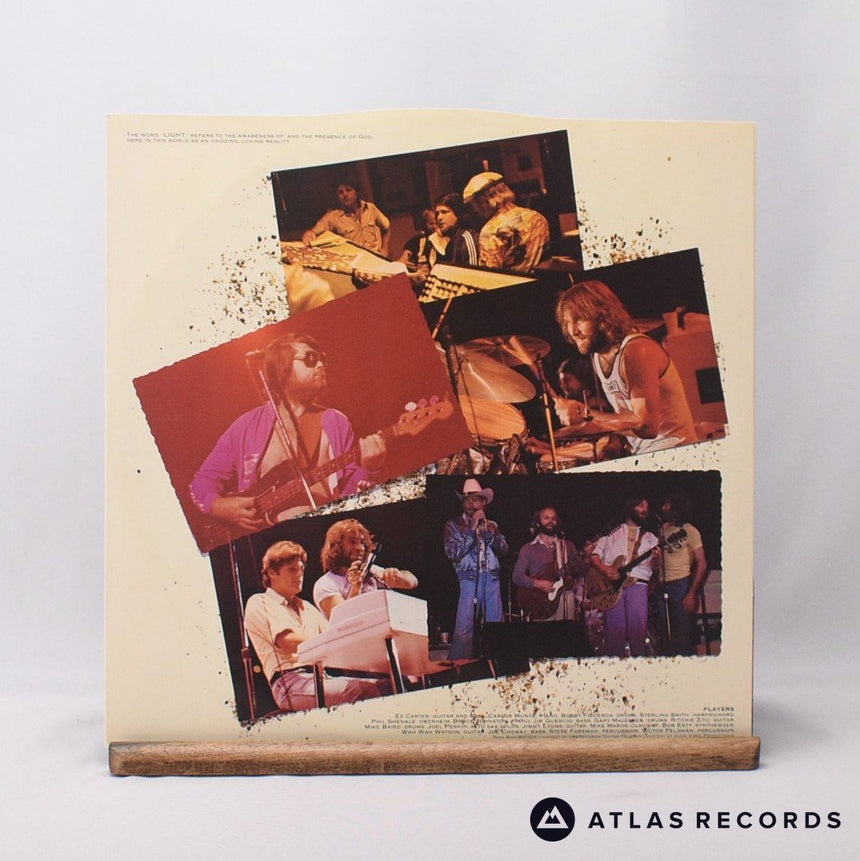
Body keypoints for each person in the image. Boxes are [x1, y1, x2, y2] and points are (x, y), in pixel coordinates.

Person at [190, 333, 386, 532]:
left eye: (322, 359)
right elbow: (202, 481)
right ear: (281, 369)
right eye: (310, 359)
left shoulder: (336, 422)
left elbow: (350, 499)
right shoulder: (246, 426)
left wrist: (369, 470)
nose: (320, 365)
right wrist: (217, 506)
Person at [553, 280, 697, 455]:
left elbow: (647, 427)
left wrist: (583, 414)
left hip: (674, 448)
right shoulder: (598, 356)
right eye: (567, 322)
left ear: (603, 315)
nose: (573, 331)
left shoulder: (636, 350)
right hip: (644, 451)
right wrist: (612, 443)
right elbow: (623, 417)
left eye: (579, 319)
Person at [243, 540, 389, 711]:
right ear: (272, 572)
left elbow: (337, 632)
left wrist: (355, 588)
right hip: (289, 682)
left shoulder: (306, 607)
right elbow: (288, 642)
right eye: (292, 569)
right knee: (361, 691)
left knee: (388, 686)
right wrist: (335, 641)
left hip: (321, 678)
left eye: (301, 569)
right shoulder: (260, 602)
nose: (300, 574)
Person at [443, 479, 508, 659]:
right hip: (469, 580)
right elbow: (452, 552)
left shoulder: (492, 525)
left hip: (492, 579)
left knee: (496, 626)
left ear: (483, 503)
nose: (472, 504)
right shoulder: (453, 525)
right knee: (464, 628)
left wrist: (491, 536)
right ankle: (459, 666)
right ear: (463, 503)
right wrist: (471, 531)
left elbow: (504, 549)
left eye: (476, 500)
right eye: (468, 500)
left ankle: (498, 662)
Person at [589, 495, 661, 657]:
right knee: (614, 634)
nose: (644, 510)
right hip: (611, 588)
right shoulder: (612, 533)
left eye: (646, 507)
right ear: (630, 508)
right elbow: (595, 555)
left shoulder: (651, 538)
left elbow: (654, 566)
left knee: (638, 632)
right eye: (641, 506)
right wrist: (605, 569)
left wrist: (657, 560)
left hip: (638, 584)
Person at [313, 518, 418, 620]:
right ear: (336, 546)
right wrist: (355, 588)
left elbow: (413, 582)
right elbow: (344, 621)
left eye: (362, 543)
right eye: (353, 542)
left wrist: (397, 575)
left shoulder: (371, 570)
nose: (360, 548)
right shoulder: (325, 584)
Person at [512, 507, 590, 622]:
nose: (550, 521)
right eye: (546, 518)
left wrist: (587, 557)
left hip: (564, 598)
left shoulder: (567, 546)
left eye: (553, 518)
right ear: (538, 523)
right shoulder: (528, 548)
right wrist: (537, 583)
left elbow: (582, 572)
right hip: (539, 601)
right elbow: (517, 576)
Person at [462, 171, 549, 272]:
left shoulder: (490, 231)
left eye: (474, 206)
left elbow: (489, 276)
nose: (476, 211)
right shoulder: (538, 217)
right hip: (543, 281)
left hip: (512, 282)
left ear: (483, 202)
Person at [655, 492, 708, 656]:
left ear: (675, 507)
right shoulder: (662, 530)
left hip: (681, 585)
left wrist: (692, 593)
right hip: (663, 585)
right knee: (666, 637)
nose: (663, 507)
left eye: (667, 504)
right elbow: (659, 563)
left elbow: (702, 563)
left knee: (683, 637)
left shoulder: (690, 530)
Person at [302, 180, 390, 255]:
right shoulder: (333, 216)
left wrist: (384, 248)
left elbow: (387, 227)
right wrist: (309, 234)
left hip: (376, 256)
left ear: (357, 192)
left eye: (348, 190)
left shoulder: (370, 208)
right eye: (340, 192)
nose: (345, 194)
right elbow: (313, 231)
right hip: (356, 260)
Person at [434, 192, 479, 267]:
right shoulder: (451, 243)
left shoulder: (467, 239)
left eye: (444, 212)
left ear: (458, 214)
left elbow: (473, 273)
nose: (439, 218)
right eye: (437, 214)